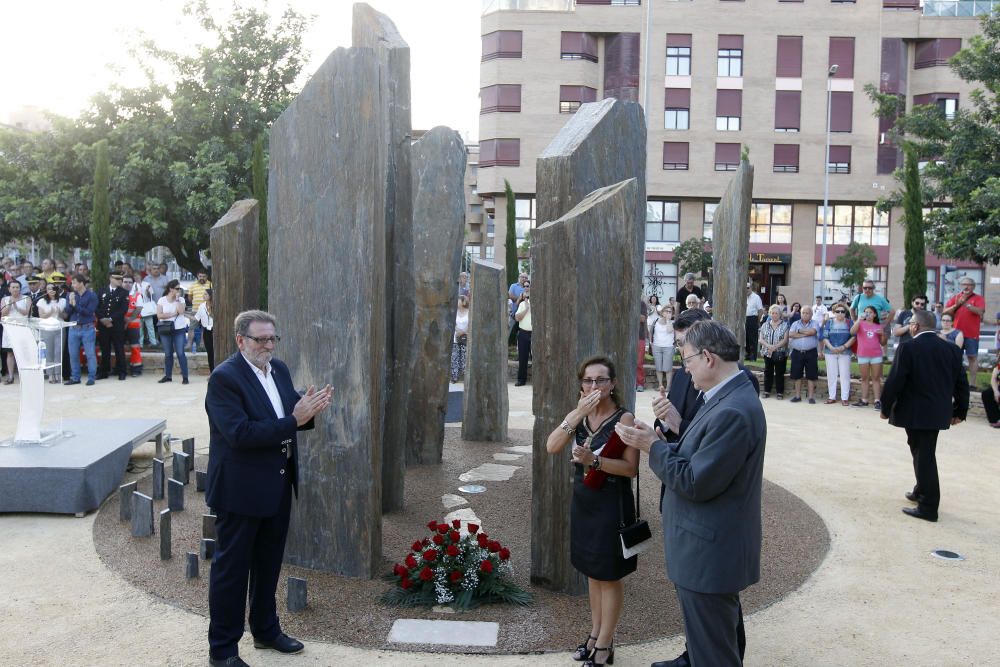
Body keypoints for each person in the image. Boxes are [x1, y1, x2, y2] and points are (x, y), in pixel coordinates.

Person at [616, 320, 766, 667]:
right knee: (712, 644)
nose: (686, 369)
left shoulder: (732, 410)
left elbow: (696, 482)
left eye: (688, 361)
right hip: (708, 547)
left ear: (709, 358)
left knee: (714, 655)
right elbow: (698, 457)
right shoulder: (726, 398)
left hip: (709, 551)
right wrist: (664, 439)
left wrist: (652, 447)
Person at [205, 309, 333, 666]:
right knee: (232, 572)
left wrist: (309, 408)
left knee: (268, 564)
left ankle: (265, 630)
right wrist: (294, 419)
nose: (268, 345)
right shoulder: (225, 379)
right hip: (240, 490)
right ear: (240, 340)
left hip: (277, 484)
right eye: (261, 339)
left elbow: (287, 408)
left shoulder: (277, 369)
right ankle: (223, 651)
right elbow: (240, 434)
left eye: (273, 337)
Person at [544, 355, 637, 667]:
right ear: (581, 384)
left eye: (600, 380)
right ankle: (595, 634)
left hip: (612, 503)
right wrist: (576, 413)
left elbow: (631, 469)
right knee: (593, 573)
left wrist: (594, 461)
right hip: (584, 501)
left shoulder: (625, 420)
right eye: (588, 380)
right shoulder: (580, 417)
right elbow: (552, 446)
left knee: (609, 575)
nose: (594, 385)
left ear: (612, 384)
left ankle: (606, 644)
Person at [880, 310, 968, 522]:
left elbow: (895, 380)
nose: (910, 326)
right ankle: (921, 490)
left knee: (925, 456)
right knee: (920, 451)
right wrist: (960, 412)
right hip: (937, 412)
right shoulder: (952, 349)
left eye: (911, 323)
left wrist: (885, 406)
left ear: (915, 326)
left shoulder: (908, 347)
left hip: (915, 411)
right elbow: (962, 384)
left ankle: (928, 507)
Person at [943, 276, 986, 388]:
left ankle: (972, 383)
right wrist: (956, 305)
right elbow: (945, 311)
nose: (966, 287)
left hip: (971, 333)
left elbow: (981, 311)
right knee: (955, 357)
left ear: (973, 287)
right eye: (964, 284)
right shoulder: (956, 297)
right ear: (960, 286)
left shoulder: (978, 298)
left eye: (969, 285)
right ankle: (954, 381)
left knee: (972, 357)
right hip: (956, 333)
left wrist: (967, 305)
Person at [64, 274, 99, 386]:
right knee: (73, 354)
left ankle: (91, 377)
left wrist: (75, 306)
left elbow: (89, 312)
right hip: (73, 327)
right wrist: (71, 302)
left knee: (90, 353)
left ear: (81, 283)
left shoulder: (92, 295)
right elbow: (67, 312)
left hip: (87, 327)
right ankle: (75, 377)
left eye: (74, 282)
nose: (72, 285)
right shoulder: (70, 295)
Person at [851, 306, 887, 410]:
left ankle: (877, 401)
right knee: (865, 378)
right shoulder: (860, 324)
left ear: (874, 314)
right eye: (866, 312)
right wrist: (859, 320)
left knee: (876, 378)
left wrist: (883, 334)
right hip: (862, 354)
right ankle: (864, 400)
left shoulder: (878, 326)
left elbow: (883, 342)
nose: (868, 314)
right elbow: (852, 332)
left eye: (870, 312)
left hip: (876, 355)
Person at [96, 271, 130, 381]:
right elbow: (97, 307)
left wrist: (110, 319)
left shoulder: (124, 293)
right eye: (117, 279)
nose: (120, 281)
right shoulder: (102, 291)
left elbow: (123, 310)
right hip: (103, 325)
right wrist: (102, 319)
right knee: (105, 348)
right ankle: (104, 371)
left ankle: (122, 371)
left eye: (121, 279)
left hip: (116, 325)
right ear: (111, 278)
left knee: (119, 348)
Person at [820, 304, 855, 405]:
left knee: (845, 375)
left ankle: (845, 398)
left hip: (845, 352)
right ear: (834, 312)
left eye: (842, 311)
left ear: (845, 313)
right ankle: (832, 397)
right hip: (830, 352)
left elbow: (853, 337)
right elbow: (825, 337)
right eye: (838, 311)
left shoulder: (849, 323)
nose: (840, 313)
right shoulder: (829, 322)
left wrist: (843, 347)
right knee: (831, 374)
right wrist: (831, 347)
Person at [157, 279, 190, 384]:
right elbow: (159, 315)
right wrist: (172, 315)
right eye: (177, 288)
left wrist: (177, 300)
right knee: (168, 353)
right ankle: (168, 376)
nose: (178, 290)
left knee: (180, 353)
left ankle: (185, 377)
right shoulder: (162, 300)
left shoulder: (181, 300)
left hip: (179, 328)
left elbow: (181, 312)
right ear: (170, 289)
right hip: (166, 328)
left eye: (179, 288)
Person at [36, 282, 67, 384]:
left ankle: (58, 373)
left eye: (53, 288)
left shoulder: (62, 300)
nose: (51, 290)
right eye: (48, 288)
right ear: (46, 290)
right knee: (48, 352)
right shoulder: (42, 301)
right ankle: (50, 374)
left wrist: (59, 312)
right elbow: (41, 315)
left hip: (59, 328)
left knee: (58, 352)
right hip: (47, 329)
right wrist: (50, 312)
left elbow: (65, 316)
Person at [788, 305, 819, 403]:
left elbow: (813, 332)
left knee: (811, 375)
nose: (805, 315)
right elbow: (791, 334)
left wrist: (799, 331)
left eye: (807, 313)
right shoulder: (795, 323)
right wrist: (806, 333)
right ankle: (797, 396)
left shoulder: (815, 323)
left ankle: (810, 397)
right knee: (797, 375)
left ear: (811, 314)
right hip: (797, 352)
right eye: (803, 313)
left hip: (811, 352)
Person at [1, 280, 30, 384]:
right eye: (13, 287)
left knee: (23, 352)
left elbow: (26, 312)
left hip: (22, 328)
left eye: (17, 287)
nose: (15, 289)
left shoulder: (26, 298)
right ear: (9, 289)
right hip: (9, 329)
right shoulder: (5, 299)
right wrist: (9, 305)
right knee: (10, 353)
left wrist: (16, 307)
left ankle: (25, 376)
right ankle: (11, 376)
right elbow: (3, 313)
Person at [759, 304, 789, 399]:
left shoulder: (784, 325)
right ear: (769, 314)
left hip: (780, 352)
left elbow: (785, 340)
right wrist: (769, 347)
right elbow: (761, 339)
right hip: (767, 352)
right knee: (768, 372)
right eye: (772, 313)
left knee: (779, 373)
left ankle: (780, 392)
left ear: (780, 314)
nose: (774, 315)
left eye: (776, 313)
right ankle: (767, 391)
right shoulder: (765, 325)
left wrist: (774, 347)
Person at [648, 303, 675, 392]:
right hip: (657, 346)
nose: (668, 313)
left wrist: (668, 320)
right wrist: (651, 343)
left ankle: (668, 386)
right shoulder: (656, 321)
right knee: (658, 367)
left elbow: (669, 330)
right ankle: (660, 385)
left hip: (668, 346)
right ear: (662, 312)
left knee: (667, 368)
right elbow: (650, 332)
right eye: (666, 311)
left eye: (670, 312)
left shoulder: (672, 322)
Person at [122, 276, 144, 377]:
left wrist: (129, 319)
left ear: (133, 284)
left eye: (130, 282)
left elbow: (139, 308)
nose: (127, 284)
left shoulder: (137, 295)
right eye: (125, 281)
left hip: (133, 325)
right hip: (120, 325)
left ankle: (136, 368)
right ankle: (120, 368)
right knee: (120, 347)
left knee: (134, 347)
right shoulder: (118, 294)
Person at [141, 263, 168, 347]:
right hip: (150, 306)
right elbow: (143, 292)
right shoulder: (146, 279)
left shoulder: (165, 279)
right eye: (154, 268)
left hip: (163, 305)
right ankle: (151, 340)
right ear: (151, 270)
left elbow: (168, 290)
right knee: (151, 324)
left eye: (157, 268)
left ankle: (162, 340)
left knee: (162, 323)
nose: (156, 270)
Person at [187, 270, 212, 353]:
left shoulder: (210, 284)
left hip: (207, 310)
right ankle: (189, 345)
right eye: (200, 276)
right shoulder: (193, 285)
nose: (202, 278)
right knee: (192, 328)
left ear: (207, 277)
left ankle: (202, 345)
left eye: (203, 276)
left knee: (204, 329)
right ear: (197, 276)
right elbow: (190, 297)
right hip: (195, 310)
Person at [514, 285, 532, 386]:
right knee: (523, 358)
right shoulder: (522, 305)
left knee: (536, 358)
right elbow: (517, 318)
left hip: (534, 334)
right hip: (524, 333)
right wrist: (526, 308)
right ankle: (521, 379)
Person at [196, 288, 216, 372]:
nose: (203, 296)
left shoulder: (215, 305)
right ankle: (212, 372)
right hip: (206, 331)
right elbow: (197, 318)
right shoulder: (201, 306)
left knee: (216, 351)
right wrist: (184, 315)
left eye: (206, 294)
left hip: (215, 330)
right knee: (209, 352)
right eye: (203, 294)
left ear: (210, 296)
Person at [450, 295, 469, 383]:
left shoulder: (469, 312)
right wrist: (457, 331)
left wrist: (463, 331)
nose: (457, 302)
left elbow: (470, 324)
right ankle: (454, 377)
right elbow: (452, 323)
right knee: (455, 357)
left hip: (465, 337)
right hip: (456, 337)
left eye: (459, 300)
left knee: (464, 358)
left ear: (463, 301)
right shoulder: (454, 312)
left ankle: (465, 376)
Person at [745, 284, 763, 361]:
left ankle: (753, 356)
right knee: (746, 338)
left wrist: (757, 321)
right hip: (744, 318)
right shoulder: (743, 297)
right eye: (745, 288)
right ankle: (748, 354)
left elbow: (760, 310)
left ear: (751, 288)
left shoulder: (756, 297)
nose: (746, 289)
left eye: (748, 288)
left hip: (753, 318)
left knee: (753, 338)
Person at [982, 357, 1000, 428]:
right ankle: (995, 419)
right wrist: (996, 392)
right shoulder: (998, 367)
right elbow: (993, 379)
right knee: (987, 394)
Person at [637, 296, 649, 392]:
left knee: (639, 362)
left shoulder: (641, 304)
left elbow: (643, 319)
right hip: (627, 338)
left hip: (639, 337)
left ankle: (640, 383)